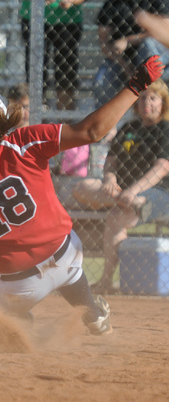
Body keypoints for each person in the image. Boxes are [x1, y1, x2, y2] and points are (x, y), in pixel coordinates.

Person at [0, 56, 164, 334]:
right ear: (0, 113)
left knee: (1, 326)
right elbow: (92, 130)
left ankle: (17, 325)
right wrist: (136, 85)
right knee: (68, 263)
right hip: (65, 255)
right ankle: (92, 313)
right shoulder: (25, 141)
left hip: (14, 286)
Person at [72, 79, 169, 293]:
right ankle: (130, 202)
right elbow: (111, 162)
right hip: (120, 191)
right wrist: (110, 179)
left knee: (117, 216)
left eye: (153, 98)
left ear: (163, 103)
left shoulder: (166, 129)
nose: (146, 102)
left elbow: (162, 167)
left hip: (159, 193)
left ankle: (106, 280)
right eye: (142, 97)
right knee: (82, 186)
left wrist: (134, 190)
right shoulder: (128, 127)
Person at [14, 0, 93, 111]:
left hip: (68, 22)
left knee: (65, 74)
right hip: (34, 20)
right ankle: (37, 118)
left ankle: (64, 121)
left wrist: (72, 0)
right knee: (36, 73)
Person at [93, 0, 169, 108]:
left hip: (160, 63)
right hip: (123, 61)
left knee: (148, 45)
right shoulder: (115, 2)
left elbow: (165, 30)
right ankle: (107, 127)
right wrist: (125, 65)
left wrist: (127, 41)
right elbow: (104, 43)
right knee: (103, 79)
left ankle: (149, 102)